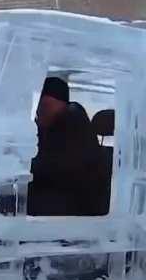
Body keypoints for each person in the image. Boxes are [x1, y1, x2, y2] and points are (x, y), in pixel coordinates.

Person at [27, 77, 105, 216]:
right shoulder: (50, 126)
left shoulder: (73, 125)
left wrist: (25, 167)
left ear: (61, 104)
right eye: (38, 105)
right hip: (58, 200)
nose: (39, 112)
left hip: (75, 209)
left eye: (45, 105)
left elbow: (57, 167)